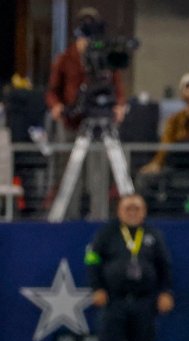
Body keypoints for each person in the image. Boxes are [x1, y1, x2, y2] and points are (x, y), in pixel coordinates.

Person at [85, 194, 174, 341]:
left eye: (137, 209)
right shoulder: (107, 233)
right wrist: (96, 288)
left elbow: (165, 266)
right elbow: (92, 260)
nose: (133, 212)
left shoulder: (153, 235)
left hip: (144, 300)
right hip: (115, 300)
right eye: (128, 209)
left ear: (144, 212)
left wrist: (166, 292)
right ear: (119, 211)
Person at [45, 7, 126, 220]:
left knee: (98, 175)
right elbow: (52, 91)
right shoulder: (64, 58)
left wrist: (119, 106)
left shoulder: (106, 58)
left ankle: (98, 217)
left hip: (101, 124)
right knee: (69, 175)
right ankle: (69, 218)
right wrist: (56, 106)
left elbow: (117, 88)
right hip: (72, 122)